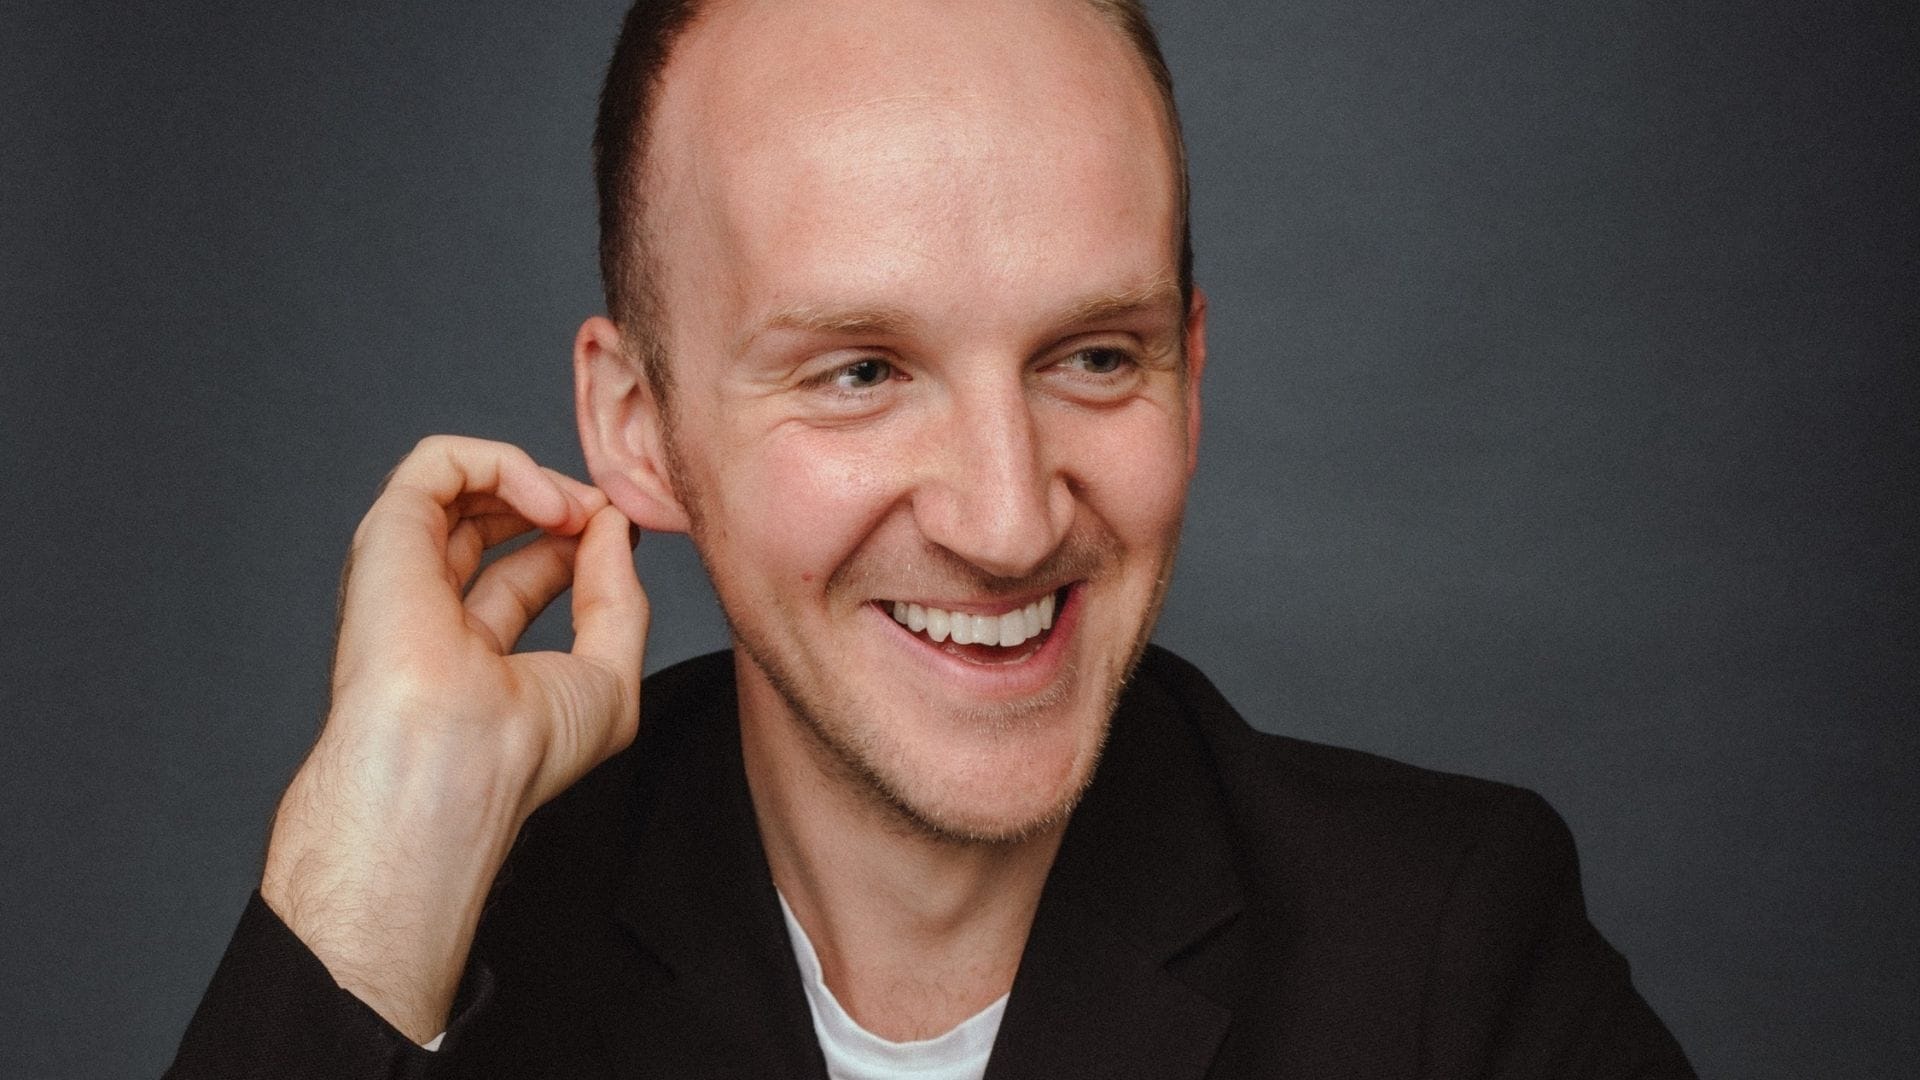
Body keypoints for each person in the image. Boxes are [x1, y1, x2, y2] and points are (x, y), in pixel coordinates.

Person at [167, 1, 1695, 1077]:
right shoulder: (465, 947)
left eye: (1093, 356)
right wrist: (375, 865)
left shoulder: (1445, 958)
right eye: (862, 373)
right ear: (640, 427)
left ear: (1190, 374)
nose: (1008, 517)